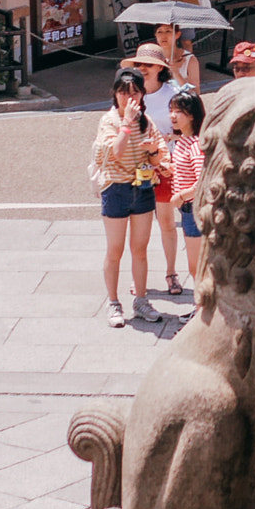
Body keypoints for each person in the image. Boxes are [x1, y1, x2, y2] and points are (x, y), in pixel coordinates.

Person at [92, 66, 166, 328]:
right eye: (124, 93)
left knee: (140, 248)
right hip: (116, 188)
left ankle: (141, 300)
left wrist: (153, 151)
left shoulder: (147, 121)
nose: (129, 98)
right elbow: (115, 153)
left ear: (142, 95)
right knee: (115, 250)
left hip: (143, 187)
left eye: (135, 92)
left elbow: (160, 157)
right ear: (115, 94)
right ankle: (113, 302)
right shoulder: (109, 121)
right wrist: (126, 124)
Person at [128, 43, 184, 296]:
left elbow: (189, 127)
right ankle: (138, 276)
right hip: (136, 167)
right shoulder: (129, 94)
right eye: (138, 64)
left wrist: (172, 136)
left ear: (160, 68)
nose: (142, 69)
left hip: (165, 165)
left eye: (147, 65)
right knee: (139, 226)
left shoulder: (173, 93)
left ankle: (171, 273)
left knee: (167, 223)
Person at [166, 87, 206, 289]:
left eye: (179, 111)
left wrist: (180, 196)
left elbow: (202, 182)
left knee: (197, 266)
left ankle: (202, 311)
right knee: (196, 266)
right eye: (171, 109)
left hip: (194, 209)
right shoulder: (183, 141)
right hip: (188, 210)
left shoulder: (195, 144)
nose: (173, 115)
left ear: (191, 115)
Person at [154, 20, 202, 93]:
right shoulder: (153, 59)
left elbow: (195, 92)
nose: (163, 36)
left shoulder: (189, 59)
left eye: (168, 31)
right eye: (159, 32)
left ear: (177, 34)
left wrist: (177, 74)